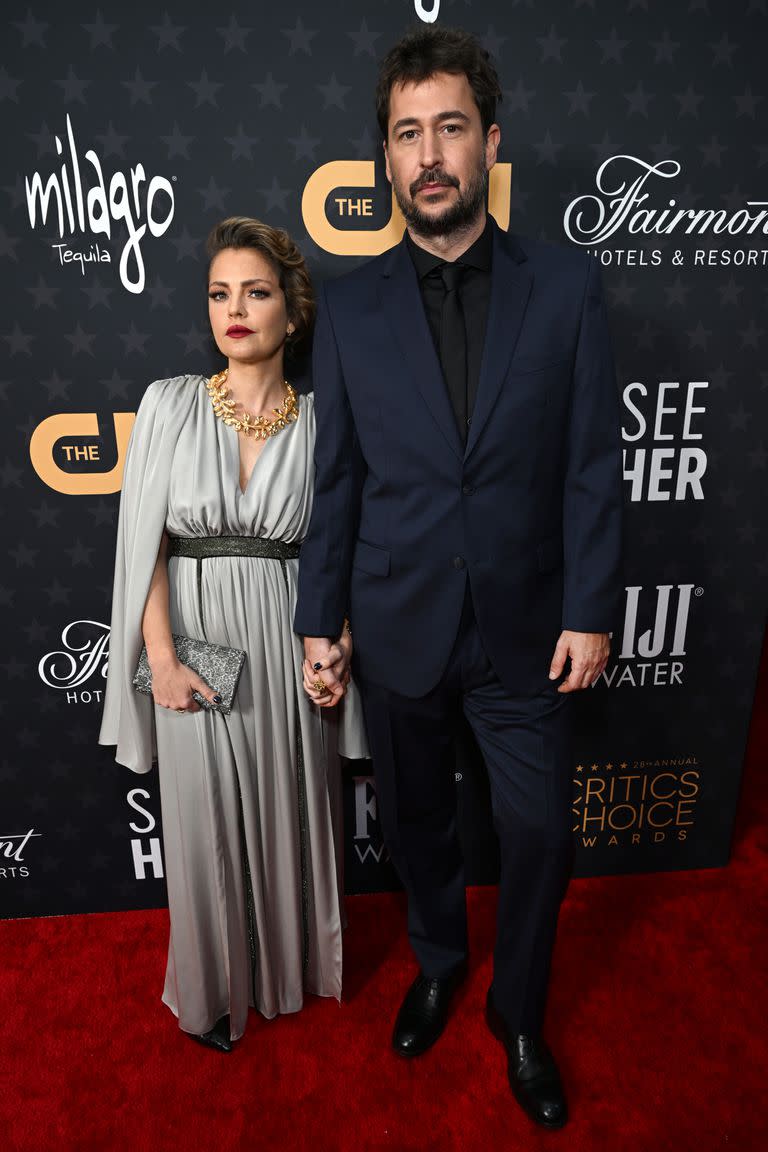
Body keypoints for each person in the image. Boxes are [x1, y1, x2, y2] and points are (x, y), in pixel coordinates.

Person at [295, 26, 622, 1128]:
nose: (427, 154)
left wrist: (590, 609)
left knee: (538, 833)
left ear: (490, 142)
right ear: (384, 161)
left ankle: (519, 1011)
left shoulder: (569, 287)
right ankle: (438, 959)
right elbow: (334, 478)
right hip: (394, 621)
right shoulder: (343, 308)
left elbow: (589, 465)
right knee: (419, 823)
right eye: (405, 134)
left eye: (448, 129)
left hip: (531, 625)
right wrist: (317, 619)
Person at [100, 217, 367, 1052]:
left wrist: (336, 646)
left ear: (293, 312)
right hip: (192, 631)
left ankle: (289, 975)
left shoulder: (328, 422)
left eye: (255, 293)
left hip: (292, 634)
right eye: (220, 294)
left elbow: (348, 547)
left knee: (294, 810)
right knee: (203, 823)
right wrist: (164, 660)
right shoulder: (169, 403)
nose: (235, 310)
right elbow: (143, 545)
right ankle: (213, 993)